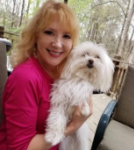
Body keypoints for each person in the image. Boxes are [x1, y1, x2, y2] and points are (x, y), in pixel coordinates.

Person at [0, 0, 93, 150]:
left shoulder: (62, 74)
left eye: (66, 36)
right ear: (36, 36)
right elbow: (20, 147)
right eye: (49, 32)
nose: (57, 44)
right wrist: (74, 125)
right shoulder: (25, 78)